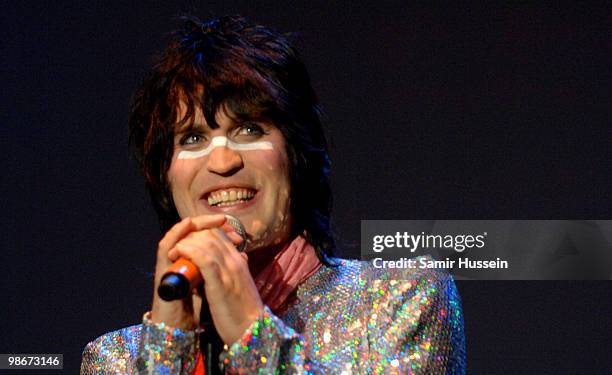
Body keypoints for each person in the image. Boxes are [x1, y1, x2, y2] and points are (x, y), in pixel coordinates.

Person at [80, 15, 466, 374]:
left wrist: (252, 334)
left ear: (296, 154)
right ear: (164, 177)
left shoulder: (400, 299)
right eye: (193, 137)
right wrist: (167, 351)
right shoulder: (117, 359)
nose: (222, 161)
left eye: (249, 129)